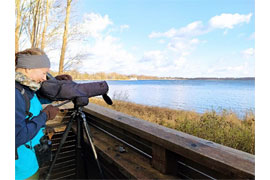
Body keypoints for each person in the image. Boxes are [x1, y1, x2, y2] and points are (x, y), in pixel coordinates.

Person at [15, 48, 72, 180]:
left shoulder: (25, 88)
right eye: (44, 73)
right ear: (28, 68)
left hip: (29, 158)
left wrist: (56, 82)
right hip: (20, 170)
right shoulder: (15, 93)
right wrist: (45, 116)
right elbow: (17, 136)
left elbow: (33, 101)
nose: (44, 78)